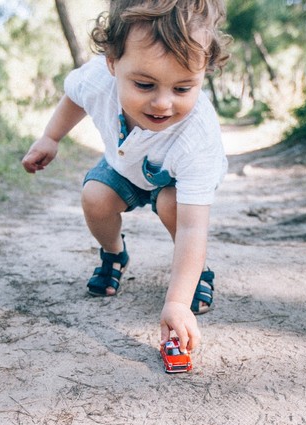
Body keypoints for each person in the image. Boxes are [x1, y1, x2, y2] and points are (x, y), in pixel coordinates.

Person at [21, 0, 229, 355]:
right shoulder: (97, 79)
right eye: (145, 85)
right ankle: (114, 255)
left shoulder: (198, 137)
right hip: (123, 167)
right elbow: (75, 97)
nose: (163, 103)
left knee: (173, 206)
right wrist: (51, 138)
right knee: (95, 197)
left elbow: (195, 227)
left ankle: (196, 274)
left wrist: (177, 304)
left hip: (173, 181)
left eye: (182, 89)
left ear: (203, 73)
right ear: (113, 63)